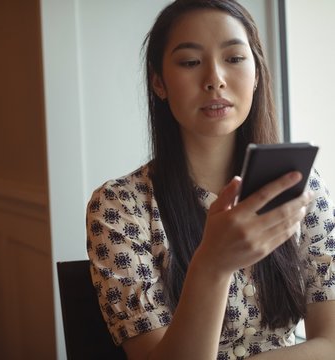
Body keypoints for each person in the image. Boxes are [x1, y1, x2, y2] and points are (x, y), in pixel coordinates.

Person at [86, 1, 335, 359]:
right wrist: (212, 265)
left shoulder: (300, 188)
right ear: (159, 82)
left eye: (234, 58)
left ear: (257, 74)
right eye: (190, 62)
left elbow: (331, 343)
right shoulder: (119, 207)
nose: (215, 79)